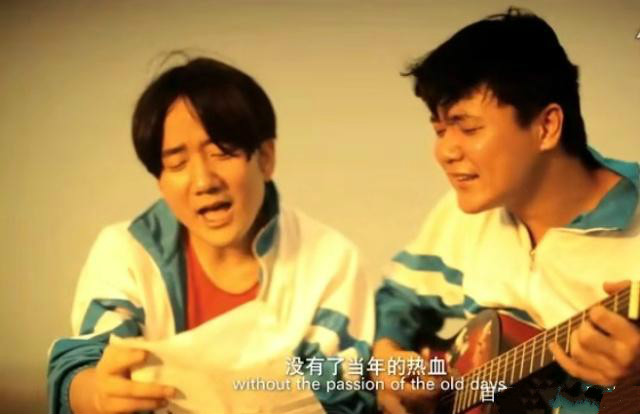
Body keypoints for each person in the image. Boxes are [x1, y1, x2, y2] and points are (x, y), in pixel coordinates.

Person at [47, 57, 375, 414]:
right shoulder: (126, 253)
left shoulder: (330, 260)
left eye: (221, 152)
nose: (203, 181)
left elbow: (346, 392)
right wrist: (95, 394)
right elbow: (84, 364)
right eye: (177, 163)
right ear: (160, 180)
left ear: (265, 158)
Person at [373, 8, 640, 414]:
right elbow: (397, 299)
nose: (445, 151)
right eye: (440, 130)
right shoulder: (463, 214)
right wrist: (388, 360)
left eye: (468, 127)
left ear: (546, 127)